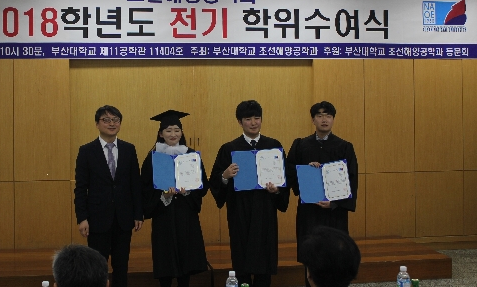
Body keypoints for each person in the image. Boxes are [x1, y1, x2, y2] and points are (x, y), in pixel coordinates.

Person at [209, 100, 289, 287]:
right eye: (248, 119)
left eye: (257, 118)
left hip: (265, 210)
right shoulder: (229, 148)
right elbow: (215, 181)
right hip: (240, 211)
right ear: (240, 122)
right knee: (241, 258)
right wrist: (225, 176)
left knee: (264, 259)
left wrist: (277, 190)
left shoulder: (273, 146)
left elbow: (284, 180)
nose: (253, 123)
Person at [286, 101, 358, 287]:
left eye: (328, 116)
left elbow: (351, 180)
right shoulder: (301, 145)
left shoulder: (344, 147)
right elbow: (289, 172)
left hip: (334, 213)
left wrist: (335, 203)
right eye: (319, 115)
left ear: (333, 119)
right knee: (311, 256)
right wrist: (305, 170)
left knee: (336, 256)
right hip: (309, 212)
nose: (324, 119)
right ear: (313, 120)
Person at [74, 105, 144, 287]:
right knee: (97, 267)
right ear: (97, 124)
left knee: (121, 266)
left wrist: (138, 214)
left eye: (115, 120)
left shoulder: (129, 149)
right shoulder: (86, 151)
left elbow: (135, 184)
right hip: (97, 219)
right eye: (106, 120)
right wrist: (82, 218)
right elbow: (81, 188)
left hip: (123, 218)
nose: (111, 124)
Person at [140, 110, 209, 287]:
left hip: (185, 214)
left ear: (181, 132)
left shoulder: (191, 155)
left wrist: (188, 191)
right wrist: (164, 196)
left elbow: (203, 185)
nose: (173, 134)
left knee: (186, 260)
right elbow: (145, 188)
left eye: (177, 130)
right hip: (163, 216)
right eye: (168, 130)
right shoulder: (153, 157)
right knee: (165, 259)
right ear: (161, 133)